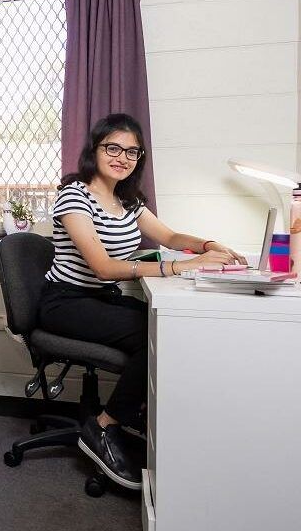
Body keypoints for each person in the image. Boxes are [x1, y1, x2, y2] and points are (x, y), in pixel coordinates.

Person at [39, 113, 245, 489]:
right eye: (113, 148)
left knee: (168, 326)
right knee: (152, 334)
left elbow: (167, 235)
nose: (122, 157)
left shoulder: (127, 201)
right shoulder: (74, 195)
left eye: (132, 152)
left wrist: (208, 245)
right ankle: (103, 427)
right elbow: (102, 266)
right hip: (65, 302)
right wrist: (184, 267)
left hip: (101, 299)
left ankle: (133, 417)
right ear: (95, 150)